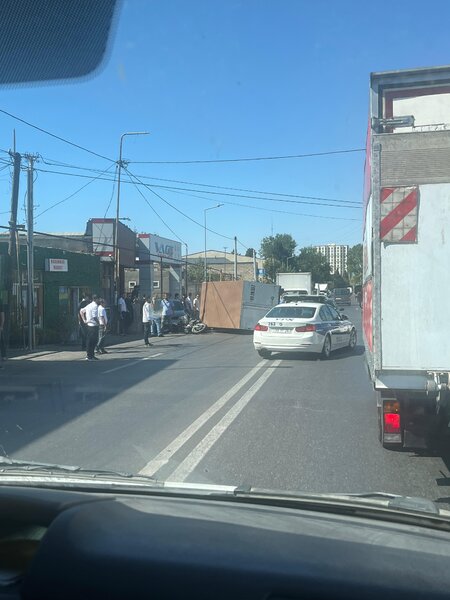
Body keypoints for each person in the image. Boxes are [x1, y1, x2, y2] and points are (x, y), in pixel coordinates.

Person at [80, 295, 101, 361]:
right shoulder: (94, 306)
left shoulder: (89, 305)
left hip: (89, 324)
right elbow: (94, 317)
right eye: (99, 299)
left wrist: (84, 320)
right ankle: (89, 355)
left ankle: (91, 355)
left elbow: (81, 311)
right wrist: (99, 323)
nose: (100, 300)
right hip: (93, 326)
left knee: (92, 340)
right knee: (92, 341)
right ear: (96, 299)